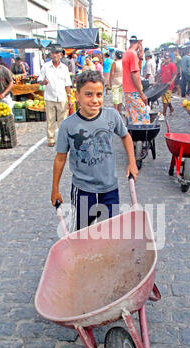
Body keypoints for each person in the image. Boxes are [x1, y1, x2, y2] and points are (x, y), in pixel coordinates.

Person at [50, 70, 138, 231]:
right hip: (83, 189)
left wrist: (132, 162)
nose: (95, 100)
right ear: (77, 96)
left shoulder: (112, 116)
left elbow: (126, 136)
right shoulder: (68, 125)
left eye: (99, 94)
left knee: (110, 230)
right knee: (82, 230)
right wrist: (55, 189)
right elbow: (60, 158)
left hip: (109, 187)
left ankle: (106, 255)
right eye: (88, 94)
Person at [38, 44, 73, 147]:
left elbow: (67, 84)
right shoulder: (46, 66)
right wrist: (43, 82)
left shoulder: (64, 68)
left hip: (62, 97)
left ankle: (62, 139)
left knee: (63, 121)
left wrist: (69, 98)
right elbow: (39, 80)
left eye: (57, 53)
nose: (55, 55)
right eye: (53, 53)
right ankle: (51, 139)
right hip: (49, 97)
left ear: (61, 55)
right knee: (50, 119)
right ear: (50, 55)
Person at [122, 35, 149, 125]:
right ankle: (142, 137)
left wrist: (141, 56)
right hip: (133, 90)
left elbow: (137, 70)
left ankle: (133, 138)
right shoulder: (132, 54)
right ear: (139, 43)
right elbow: (134, 75)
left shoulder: (127, 53)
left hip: (127, 90)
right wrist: (141, 93)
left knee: (132, 118)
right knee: (144, 117)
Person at [158, 52, 177, 118]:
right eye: (165, 58)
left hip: (168, 85)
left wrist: (171, 81)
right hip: (163, 84)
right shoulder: (162, 66)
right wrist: (158, 81)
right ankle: (171, 108)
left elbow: (174, 74)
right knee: (165, 98)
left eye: (167, 58)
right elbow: (160, 75)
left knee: (165, 100)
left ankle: (164, 113)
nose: (166, 60)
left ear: (170, 59)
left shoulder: (172, 65)